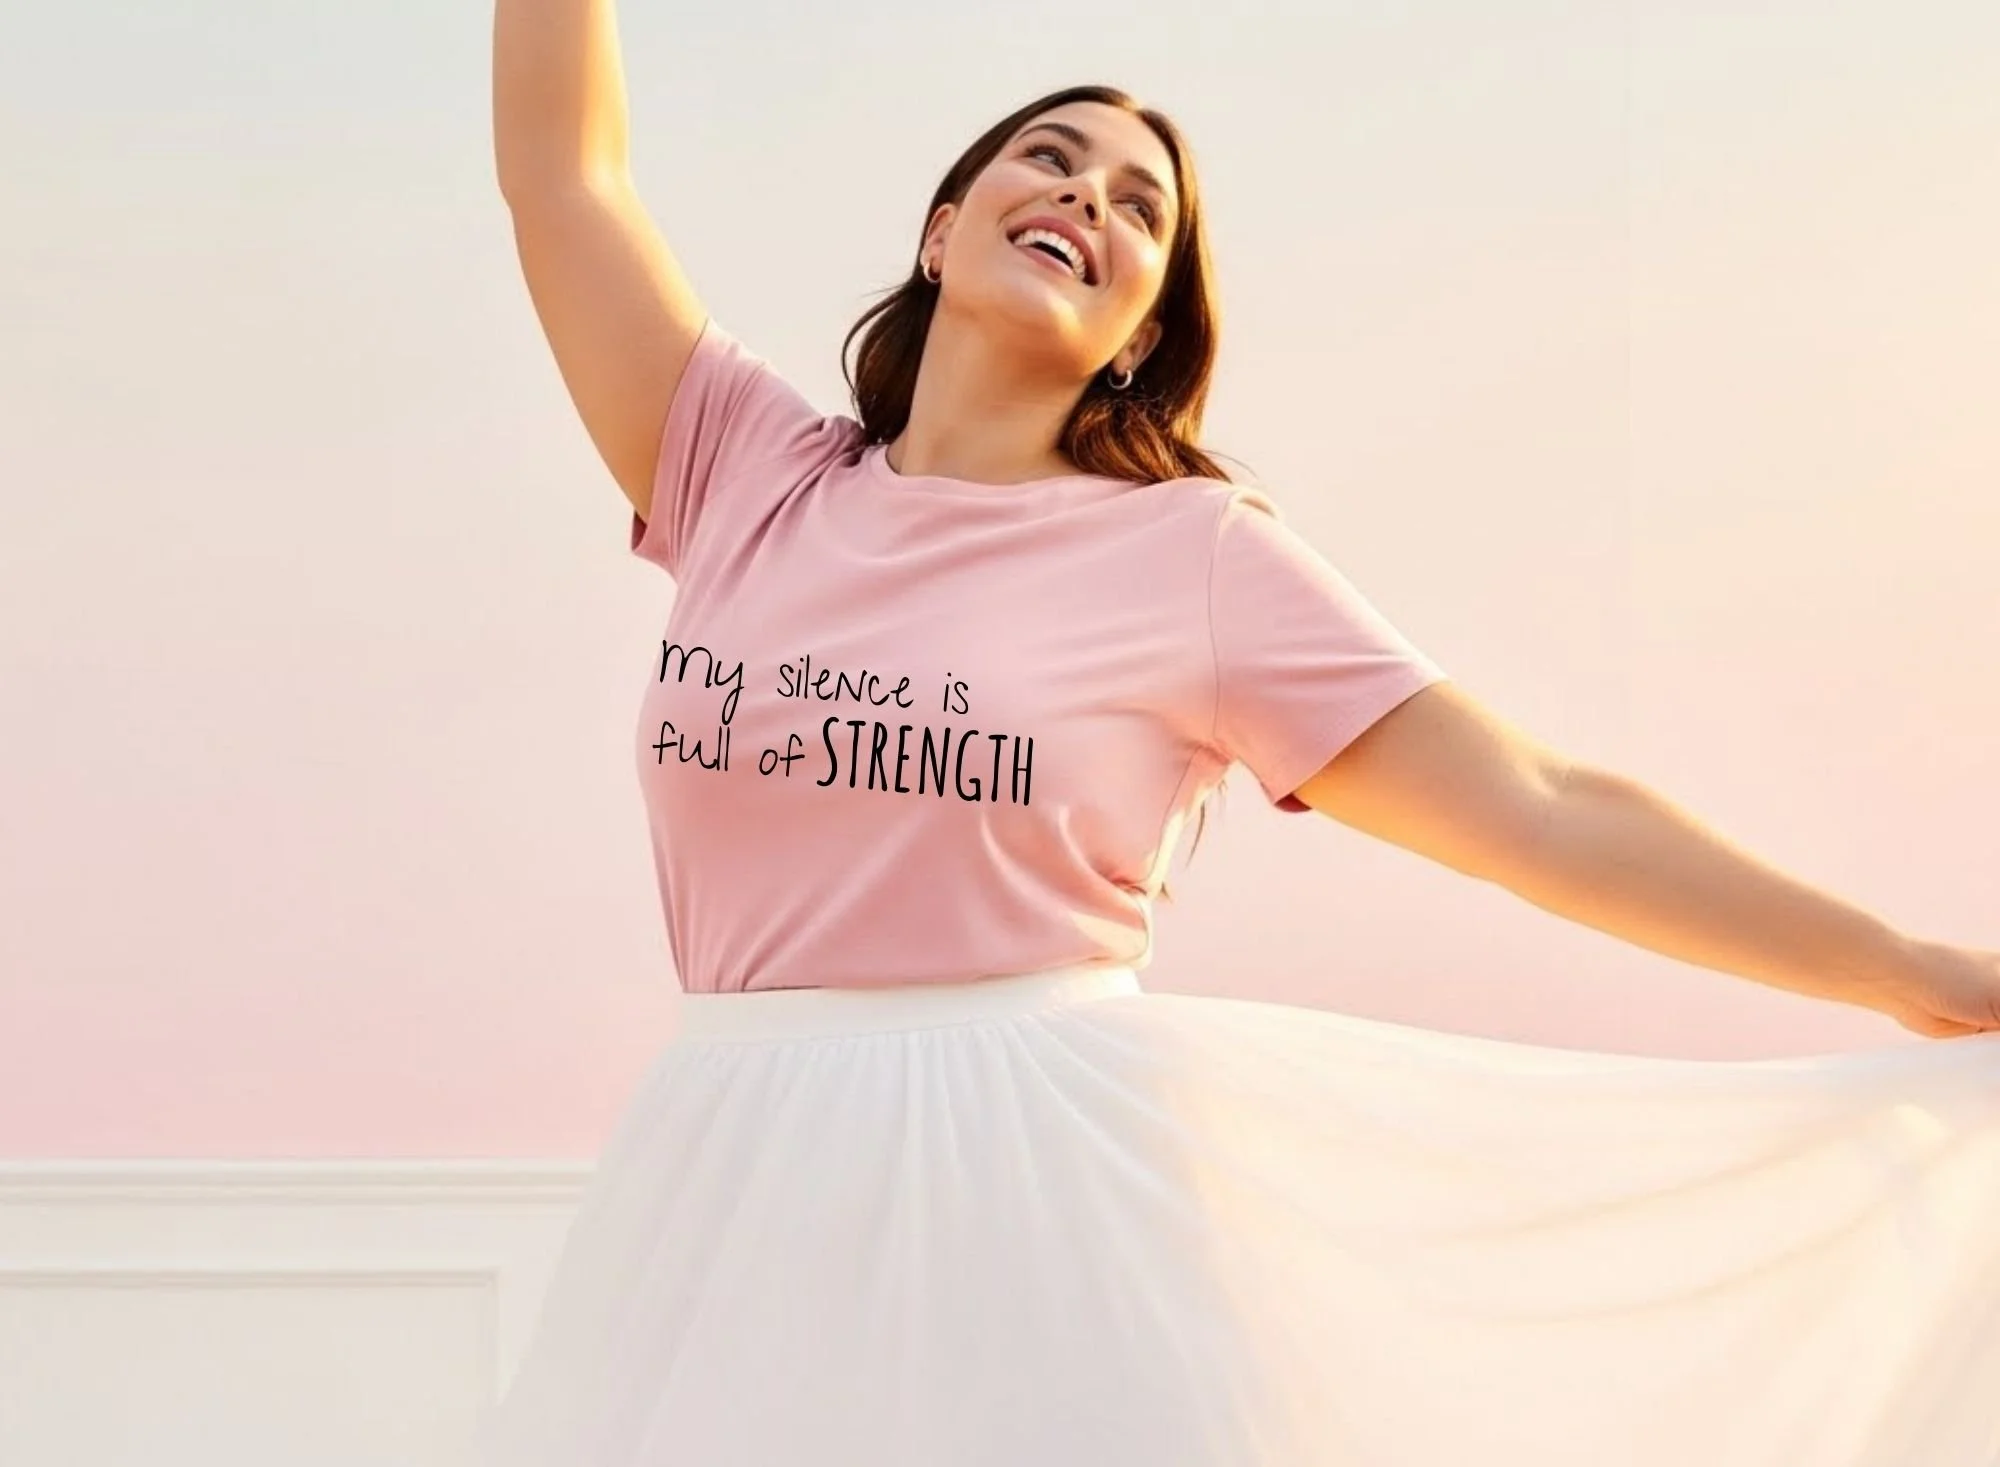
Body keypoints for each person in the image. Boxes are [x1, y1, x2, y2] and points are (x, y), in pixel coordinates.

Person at [477, 6, 2000, 1463]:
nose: (1089, 193)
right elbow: (565, 174)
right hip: (729, 1181)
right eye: (1052, 157)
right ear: (943, 231)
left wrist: (1907, 968)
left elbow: (1539, 804)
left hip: (1044, 1205)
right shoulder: (742, 466)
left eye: (1142, 207)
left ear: (1141, 333)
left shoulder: (1191, 557)